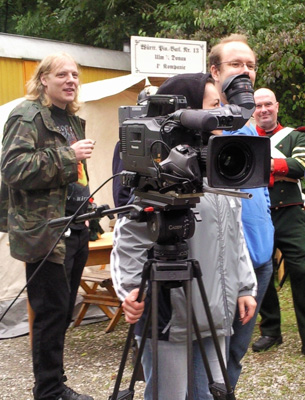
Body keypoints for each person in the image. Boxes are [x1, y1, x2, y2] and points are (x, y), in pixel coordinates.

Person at [110, 72, 257, 400]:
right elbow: (129, 237)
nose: (224, 114)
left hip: (217, 310)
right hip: (168, 317)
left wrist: (245, 286)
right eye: (214, 106)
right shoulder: (160, 173)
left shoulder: (223, 167)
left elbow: (234, 236)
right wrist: (131, 289)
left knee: (208, 395)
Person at [0, 52, 95, 400]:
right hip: (46, 230)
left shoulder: (72, 118)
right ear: (43, 79)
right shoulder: (26, 115)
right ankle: (49, 391)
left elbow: (76, 171)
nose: (71, 80)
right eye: (62, 75)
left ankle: (55, 382)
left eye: (74, 74)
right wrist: (69, 156)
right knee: (50, 313)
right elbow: (12, 168)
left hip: (76, 223)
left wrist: (87, 200)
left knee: (63, 309)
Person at [208, 34, 275, 387]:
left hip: (260, 260)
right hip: (226, 263)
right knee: (214, 351)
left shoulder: (249, 123)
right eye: (236, 64)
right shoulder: (202, 124)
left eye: (250, 65)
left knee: (236, 350)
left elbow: (258, 193)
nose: (245, 72)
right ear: (215, 71)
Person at [251, 87, 305, 364]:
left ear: (277, 106)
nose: (263, 110)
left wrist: (263, 165)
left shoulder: (296, 135)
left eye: (268, 105)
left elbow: (301, 167)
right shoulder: (247, 137)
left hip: (291, 212)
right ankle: (270, 330)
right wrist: (280, 167)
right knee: (262, 273)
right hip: (259, 214)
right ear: (253, 110)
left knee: (302, 274)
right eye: (258, 105)